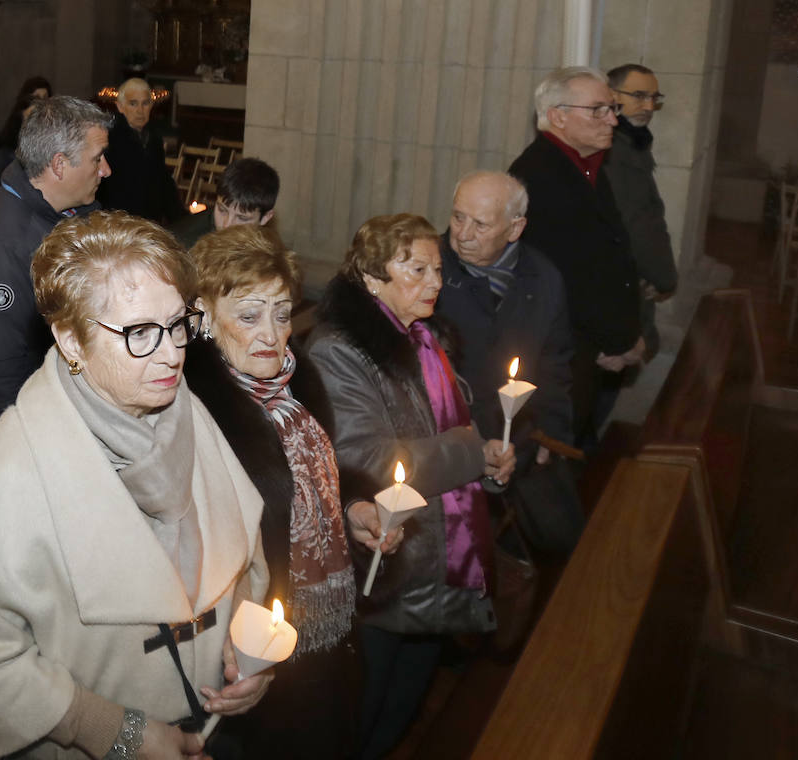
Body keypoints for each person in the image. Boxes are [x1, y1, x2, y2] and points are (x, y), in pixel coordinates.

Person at [0, 210, 271, 759]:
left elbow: (243, 558)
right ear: (71, 339)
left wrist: (249, 652)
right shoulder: (16, 467)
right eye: (139, 332)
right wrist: (115, 731)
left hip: (212, 724)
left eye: (178, 323)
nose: (171, 353)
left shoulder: (188, 411)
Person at [183, 223, 403, 758]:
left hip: (328, 630)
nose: (272, 334)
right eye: (250, 315)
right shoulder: (191, 406)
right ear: (205, 318)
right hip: (250, 648)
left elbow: (319, 473)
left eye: (282, 313)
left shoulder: (297, 381)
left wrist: (353, 507)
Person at [306, 213, 515, 760]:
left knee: (402, 710)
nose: (435, 282)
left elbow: (447, 427)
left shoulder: (423, 338)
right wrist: (473, 452)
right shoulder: (341, 351)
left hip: (436, 561)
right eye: (416, 269)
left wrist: (488, 461)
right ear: (373, 279)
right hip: (389, 567)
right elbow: (370, 461)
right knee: (361, 718)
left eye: (438, 268)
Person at [0, 95, 111, 450]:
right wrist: (38, 445)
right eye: (97, 159)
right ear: (59, 165)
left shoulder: (70, 209)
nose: (106, 169)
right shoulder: (0, 247)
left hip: (51, 394)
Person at [434, 171, 582, 555]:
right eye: (457, 217)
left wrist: (551, 431)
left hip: (524, 440)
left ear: (515, 228)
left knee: (564, 544)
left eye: (480, 224)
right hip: (446, 446)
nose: (463, 234)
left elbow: (556, 362)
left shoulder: (544, 278)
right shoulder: (427, 271)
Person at [508, 67, 641, 448]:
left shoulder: (585, 165)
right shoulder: (539, 176)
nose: (613, 119)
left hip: (586, 347)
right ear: (558, 116)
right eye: (598, 110)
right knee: (558, 453)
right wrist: (618, 339)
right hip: (564, 353)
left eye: (612, 108)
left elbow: (609, 254)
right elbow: (569, 277)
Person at [605, 63, 677, 362]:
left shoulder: (632, 141)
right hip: (616, 287)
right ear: (611, 95)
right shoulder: (614, 147)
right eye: (638, 95)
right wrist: (663, 278)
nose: (648, 106)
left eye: (653, 98)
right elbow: (637, 222)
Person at [97, 77, 181, 224]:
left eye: (145, 103)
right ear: (120, 106)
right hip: (118, 221)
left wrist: (179, 218)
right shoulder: (109, 139)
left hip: (149, 221)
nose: (140, 110)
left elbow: (162, 181)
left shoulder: (154, 139)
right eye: (133, 103)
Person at [170, 156, 278, 250]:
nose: (226, 225)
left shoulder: (269, 250)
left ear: (265, 218)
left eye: (242, 218)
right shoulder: (184, 245)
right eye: (222, 210)